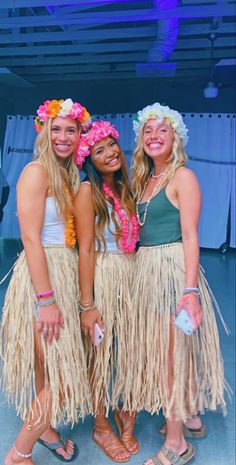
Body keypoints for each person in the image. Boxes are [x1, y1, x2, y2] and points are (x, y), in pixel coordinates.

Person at [124, 102, 228, 465]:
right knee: (172, 350)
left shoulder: (183, 177)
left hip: (171, 270)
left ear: (176, 138)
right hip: (147, 272)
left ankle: (177, 444)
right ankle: (192, 416)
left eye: (162, 130)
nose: (154, 136)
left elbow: (189, 235)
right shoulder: (145, 179)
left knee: (172, 359)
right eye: (147, 131)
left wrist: (190, 291)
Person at [0, 98, 92, 465]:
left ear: (80, 135)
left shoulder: (69, 175)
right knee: (66, 375)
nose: (63, 136)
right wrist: (46, 300)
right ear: (44, 130)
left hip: (62, 272)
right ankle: (18, 454)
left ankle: (47, 429)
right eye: (56, 128)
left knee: (46, 365)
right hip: (44, 279)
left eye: (71, 129)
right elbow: (30, 238)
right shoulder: (36, 171)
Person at [74, 121, 140, 463]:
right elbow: (85, 249)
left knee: (131, 350)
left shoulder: (128, 189)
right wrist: (88, 304)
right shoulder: (88, 191)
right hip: (102, 277)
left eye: (112, 145)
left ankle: (126, 412)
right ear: (89, 160)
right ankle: (101, 425)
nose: (110, 153)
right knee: (99, 356)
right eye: (99, 151)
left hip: (131, 278)